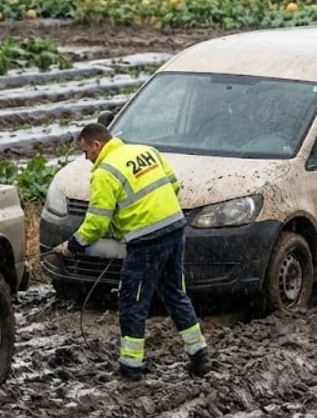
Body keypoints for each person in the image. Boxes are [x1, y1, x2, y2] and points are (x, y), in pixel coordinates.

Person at [54, 123, 210, 381]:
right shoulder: (145, 151)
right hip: (175, 228)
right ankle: (199, 356)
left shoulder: (104, 172)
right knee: (174, 293)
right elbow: (173, 185)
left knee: (133, 302)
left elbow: (96, 223)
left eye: (86, 151)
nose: (86, 158)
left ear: (97, 145)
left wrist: (72, 246)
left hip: (146, 242)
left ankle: (131, 368)